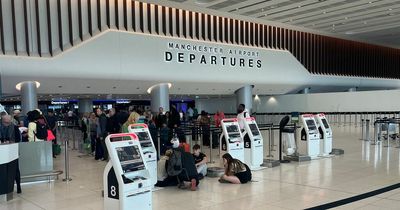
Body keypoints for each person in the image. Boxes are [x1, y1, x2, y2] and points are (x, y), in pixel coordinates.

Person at [0, 115, 22, 193]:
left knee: (15, 169)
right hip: (1, 151)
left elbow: (18, 138)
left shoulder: (14, 127)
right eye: (6, 123)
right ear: (2, 121)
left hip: (12, 151)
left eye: (9, 122)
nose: (8, 124)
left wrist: (11, 142)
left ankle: (18, 186)